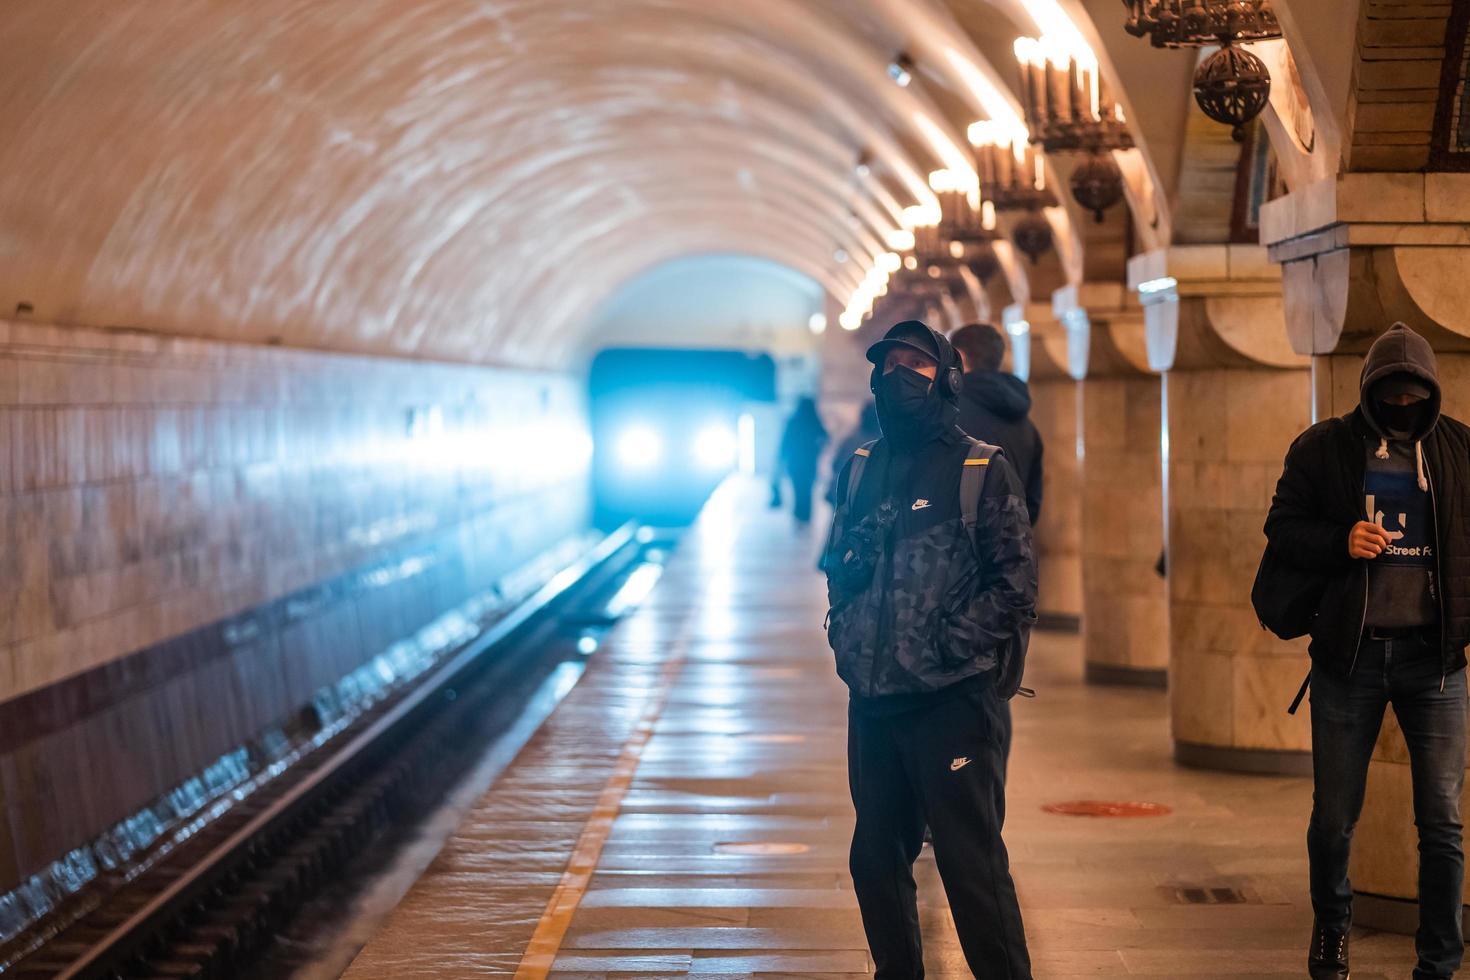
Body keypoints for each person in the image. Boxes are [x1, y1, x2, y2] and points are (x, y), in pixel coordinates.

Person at [823, 319, 1036, 979]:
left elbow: (1016, 586)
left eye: (913, 366)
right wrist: (846, 628)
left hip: (953, 703)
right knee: (874, 860)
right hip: (874, 699)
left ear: (944, 377)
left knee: (970, 866)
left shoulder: (980, 467)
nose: (896, 379)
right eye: (887, 367)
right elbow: (839, 561)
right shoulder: (862, 468)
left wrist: (948, 645)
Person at [1263, 322, 1470, 980]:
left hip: (1434, 665)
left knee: (1441, 820)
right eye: (1392, 396)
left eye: (1415, 396)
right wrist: (1340, 540)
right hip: (1349, 661)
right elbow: (1282, 527)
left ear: (1431, 394)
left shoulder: (1458, 450)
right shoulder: (1325, 448)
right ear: (1370, 392)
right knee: (1334, 818)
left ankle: (1439, 959)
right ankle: (1333, 928)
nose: (1403, 407)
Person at [950, 322, 1044, 525]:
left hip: (960, 547)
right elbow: (1033, 502)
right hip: (1012, 544)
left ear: (960, 356)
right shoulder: (1027, 425)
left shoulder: (949, 414)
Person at [776, 396, 828, 524]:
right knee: (808, 489)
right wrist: (818, 448)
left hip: (794, 462)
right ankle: (806, 516)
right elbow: (826, 436)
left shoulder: (793, 421)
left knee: (798, 488)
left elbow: (785, 443)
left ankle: (799, 515)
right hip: (809, 461)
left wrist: (781, 459)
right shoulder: (814, 421)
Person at [826, 400, 881, 505]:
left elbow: (836, 463)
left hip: (843, 492)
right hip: (861, 496)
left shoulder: (852, 439)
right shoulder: (879, 443)